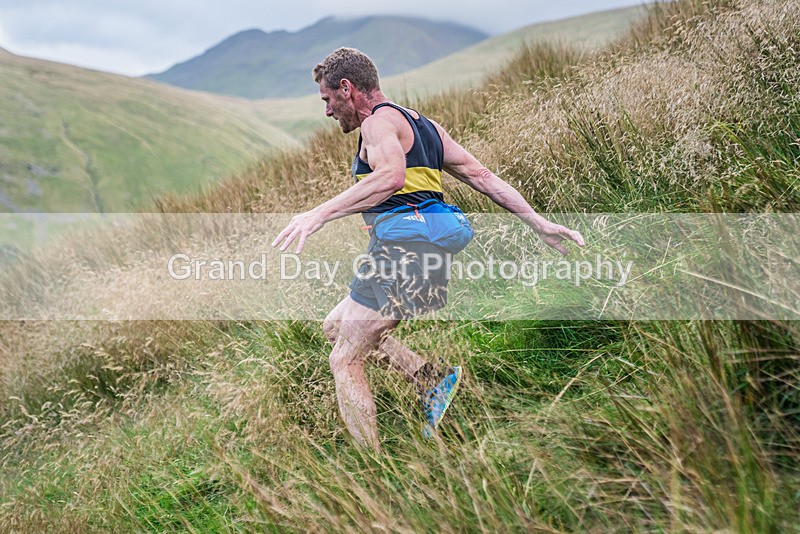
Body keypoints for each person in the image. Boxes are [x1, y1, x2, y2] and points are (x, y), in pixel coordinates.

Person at [272, 47, 584, 452]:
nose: (328, 111)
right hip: (419, 250)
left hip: (405, 251)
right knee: (335, 328)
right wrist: (537, 221)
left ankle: (374, 473)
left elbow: (390, 177)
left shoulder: (377, 125)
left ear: (347, 89)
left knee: (345, 359)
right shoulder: (424, 125)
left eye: (328, 100)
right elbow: (481, 175)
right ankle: (429, 380)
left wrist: (318, 214)